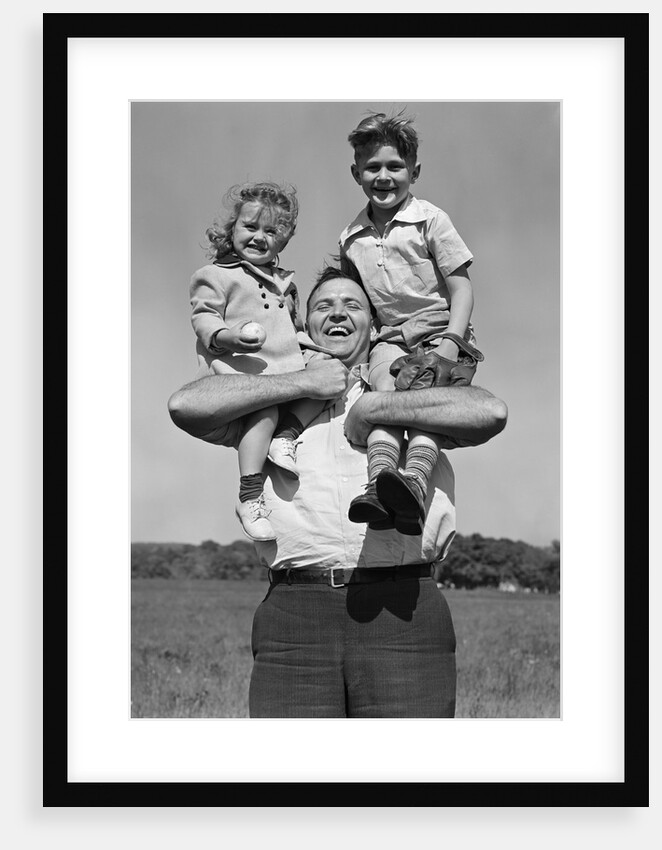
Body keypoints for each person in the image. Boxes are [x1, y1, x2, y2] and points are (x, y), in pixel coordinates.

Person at [168, 265, 507, 718]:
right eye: (323, 306)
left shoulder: (408, 384)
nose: (337, 314)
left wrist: (374, 406)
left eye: (353, 304)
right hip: (294, 617)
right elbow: (185, 405)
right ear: (304, 325)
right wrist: (303, 383)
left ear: (375, 323)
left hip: (404, 611)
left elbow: (489, 411)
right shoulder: (271, 396)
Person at [339, 111, 485, 535]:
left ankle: (415, 483)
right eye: (372, 167)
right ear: (356, 173)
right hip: (389, 337)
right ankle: (379, 487)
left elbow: (461, 289)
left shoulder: (430, 219)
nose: (384, 176)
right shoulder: (350, 236)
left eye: (394, 166)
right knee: (385, 396)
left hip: (439, 330)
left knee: (423, 408)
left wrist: (450, 344)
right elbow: (361, 304)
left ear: (414, 171)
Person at [189, 181, 329, 543]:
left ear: (286, 238)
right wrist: (227, 337)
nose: (259, 237)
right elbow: (204, 317)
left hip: (288, 368)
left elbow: (293, 326)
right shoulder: (217, 275)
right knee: (262, 413)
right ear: (233, 227)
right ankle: (250, 495)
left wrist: (316, 354)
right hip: (243, 370)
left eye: (272, 231)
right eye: (250, 227)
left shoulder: (285, 281)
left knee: (328, 382)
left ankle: (287, 435)